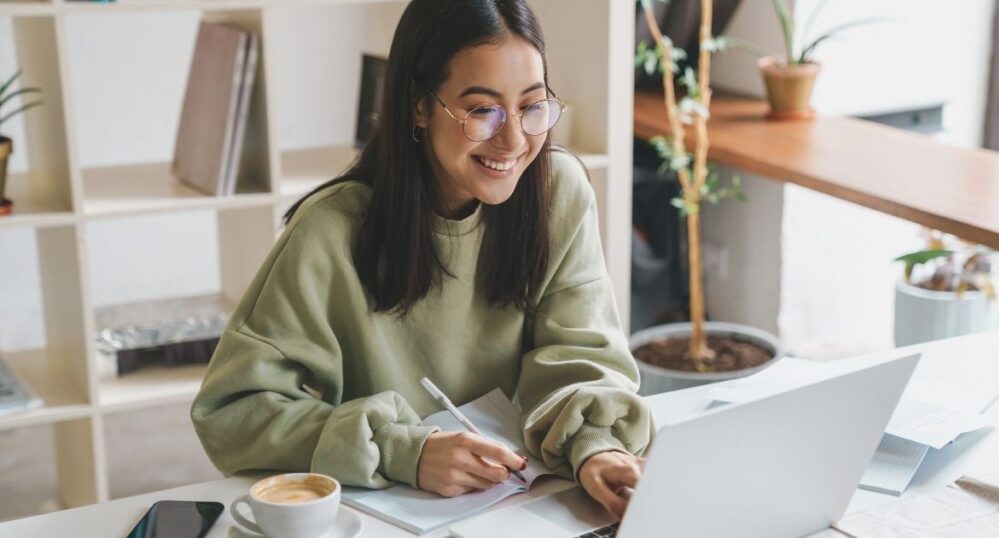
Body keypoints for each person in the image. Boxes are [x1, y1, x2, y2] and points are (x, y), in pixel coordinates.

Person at [191, 0, 654, 520]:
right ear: (418, 105)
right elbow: (233, 412)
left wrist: (596, 445)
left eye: (532, 105)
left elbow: (583, 353)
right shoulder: (330, 230)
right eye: (482, 111)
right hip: (385, 518)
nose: (514, 140)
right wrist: (403, 450)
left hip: (524, 504)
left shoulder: (558, 192)